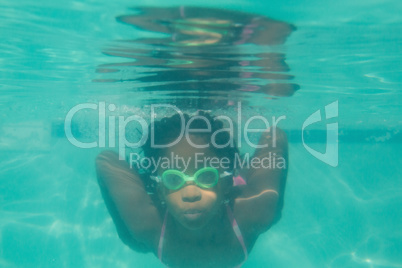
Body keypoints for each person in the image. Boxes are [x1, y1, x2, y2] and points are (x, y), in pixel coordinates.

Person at [96, 111, 288, 267]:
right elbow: (104, 161)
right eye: (173, 178)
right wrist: (126, 232)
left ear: (229, 185)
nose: (191, 194)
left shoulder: (257, 212)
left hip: (229, 181)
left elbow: (275, 135)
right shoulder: (146, 227)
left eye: (205, 176)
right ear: (160, 191)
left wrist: (129, 237)